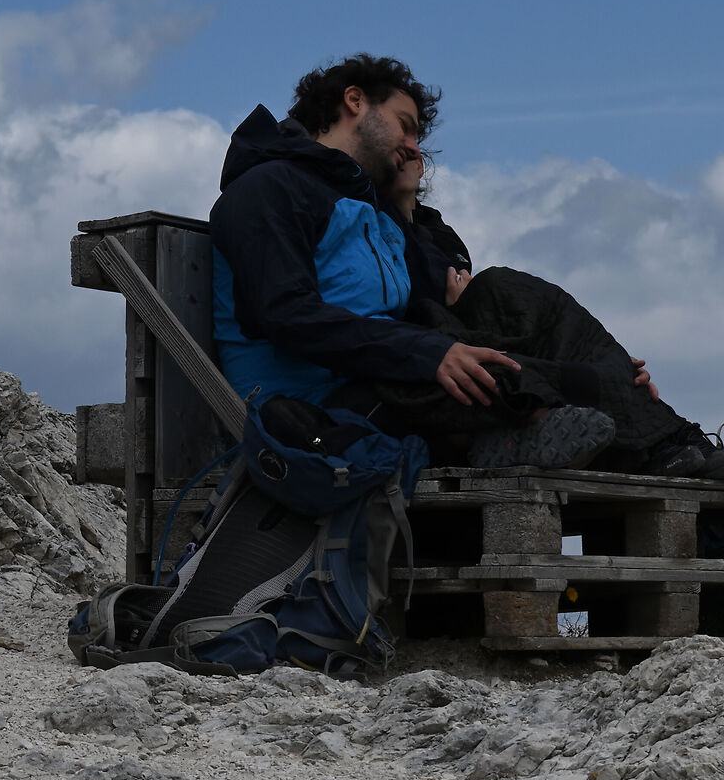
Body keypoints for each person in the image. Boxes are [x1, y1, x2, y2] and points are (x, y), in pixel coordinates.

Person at [210, 54, 616, 471]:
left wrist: (404, 202)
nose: (413, 147)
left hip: (381, 373)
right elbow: (288, 314)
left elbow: (434, 298)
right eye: (405, 125)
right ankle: (515, 439)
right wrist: (428, 353)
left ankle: (608, 409)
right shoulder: (269, 187)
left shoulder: (373, 210)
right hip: (309, 408)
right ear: (354, 101)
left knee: (529, 327)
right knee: (513, 378)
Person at [380, 146, 724, 480]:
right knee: (500, 289)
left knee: (560, 329)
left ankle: (668, 442)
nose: (407, 149)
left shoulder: (438, 235)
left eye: (414, 139)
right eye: (399, 131)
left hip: (480, 349)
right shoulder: (375, 229)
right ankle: (654, 446)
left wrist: (609, 361)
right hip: (438, 363)